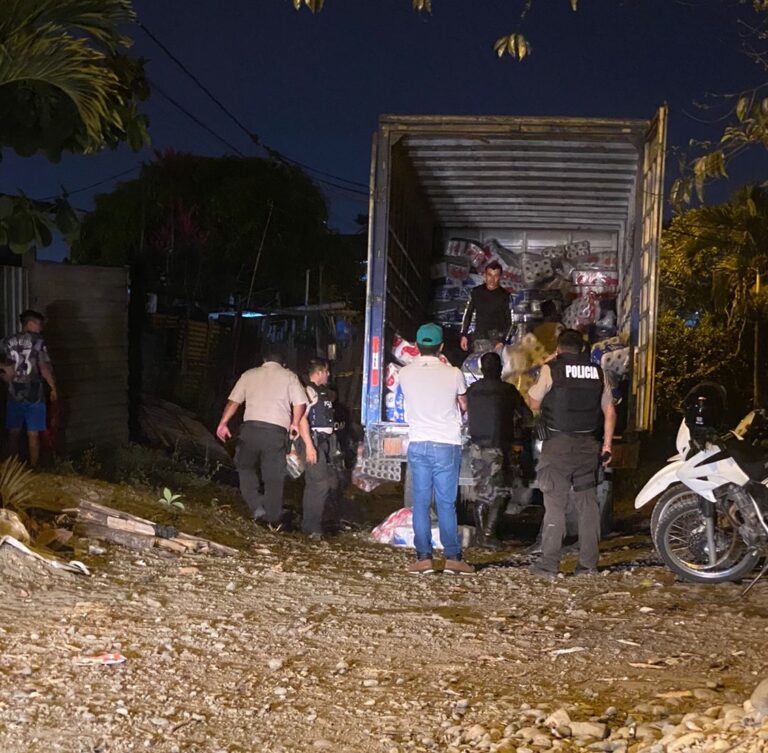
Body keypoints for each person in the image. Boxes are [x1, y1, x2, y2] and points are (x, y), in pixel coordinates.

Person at [526, 329, 616, 577]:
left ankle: (549, 564)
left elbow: (533, 402)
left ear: (559, 348)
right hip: (589, 445)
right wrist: (607, 445)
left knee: (555, 504)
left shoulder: (551, 369)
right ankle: (587, 565)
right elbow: (609, 411)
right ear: (583, 349)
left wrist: (547, 363)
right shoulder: (598, 372)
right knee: (587, 505)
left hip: (558, 446)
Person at [399, 323, 474, 575]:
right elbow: (463, 404)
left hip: (419, 441)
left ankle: (423, 559)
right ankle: (452, 558)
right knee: (446, 502)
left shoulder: (404, 373)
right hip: (446, 443)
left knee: (420, 503)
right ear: (441, 346)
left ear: (417, 347)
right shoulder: (453, 373)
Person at [216, 346, 307, 526]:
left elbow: (234, 401)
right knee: (273, 476)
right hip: (276, 433)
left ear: (264, 361)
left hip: (251, 430)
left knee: (245, 468)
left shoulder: (249, 375)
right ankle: (273, 518)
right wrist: (295, 422)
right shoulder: (289, 376)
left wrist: (223, 423)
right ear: (283, 363)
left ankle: (257, 507)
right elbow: (300, 403)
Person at [465, 351, 532, 549]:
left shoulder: (472, 389)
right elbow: (527, 417)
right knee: (502, 492)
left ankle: (481, 535)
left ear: (481, 369)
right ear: (501, 369)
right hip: (498, 448)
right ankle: (487, 534)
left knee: (482, 492)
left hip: (476, 446)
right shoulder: (508, 391)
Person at [1, 310, 58, 468]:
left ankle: (11, 469)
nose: (40, 328)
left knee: (13, 433)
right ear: (30, 323)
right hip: (34, 394)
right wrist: (53, 388)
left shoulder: (7, 340)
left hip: (14, 393)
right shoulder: (38, 341)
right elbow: (44, 366)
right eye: (39, 324)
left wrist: (4, 368)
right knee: (33, 435)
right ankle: (34, 471)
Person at [298, 358, 343, 540]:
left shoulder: (323, 393)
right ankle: (311, 528)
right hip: (313, 441)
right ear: (318, 373)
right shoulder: (308, 392)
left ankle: (320, 524)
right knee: (319, 483)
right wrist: (309, 446)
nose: (329, 374)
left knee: (329, 482)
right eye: (326, 371)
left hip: (324, 442)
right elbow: (301, 419)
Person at [460, 261, 511, 353]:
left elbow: (510, 321)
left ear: (500, 277)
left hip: (497, 339)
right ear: (485, 275)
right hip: (480, 338)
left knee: (495, 365)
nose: (492, 279)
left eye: (496, 276)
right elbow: (468, 313)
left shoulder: (505, 295)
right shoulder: (476, 292)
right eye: (489, 275)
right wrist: (464, 335)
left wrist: (502, 340)